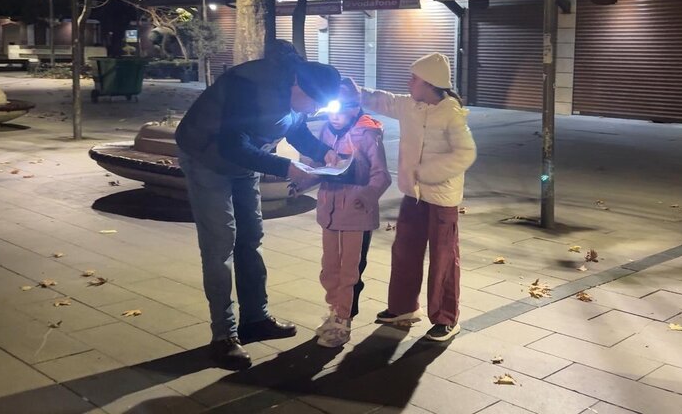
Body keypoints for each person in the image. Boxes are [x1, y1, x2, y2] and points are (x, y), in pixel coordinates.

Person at [175, 41, 341, 370]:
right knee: (220, 244)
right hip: (206, 157)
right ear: (298, 86)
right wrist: (286, 167)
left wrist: (326, 154)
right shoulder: (248, 86)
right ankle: (223, 336)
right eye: (314, 105)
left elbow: (296, 127)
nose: (313, 112)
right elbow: (231, 145)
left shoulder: (296, 88)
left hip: (244, 160)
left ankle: (255, 319)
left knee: (251, 237)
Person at [359, 52, 477, 342]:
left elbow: (465, 153)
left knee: (443, 258)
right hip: (413, 194)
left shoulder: (451, 113)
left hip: (442, 197)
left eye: (414, 78)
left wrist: (427, 172)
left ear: (430, 83)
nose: (409, 82)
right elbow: (383, 100)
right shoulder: (410, 105)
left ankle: (446, 318)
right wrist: (352, 91)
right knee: (404, 250)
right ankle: (403, 307)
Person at [310, 78, 392, 348]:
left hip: (356, 216)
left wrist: (365, 197)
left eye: (340, 110)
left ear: (354, 108)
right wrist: (301, 181)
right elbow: (316, 164)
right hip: (329, 212)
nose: (334, 117)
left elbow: (381, 175)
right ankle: (334, 310)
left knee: (349, 271)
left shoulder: (367, 133)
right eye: (330, 110)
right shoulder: (326, 131)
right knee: (329, 268)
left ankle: (343, 321)